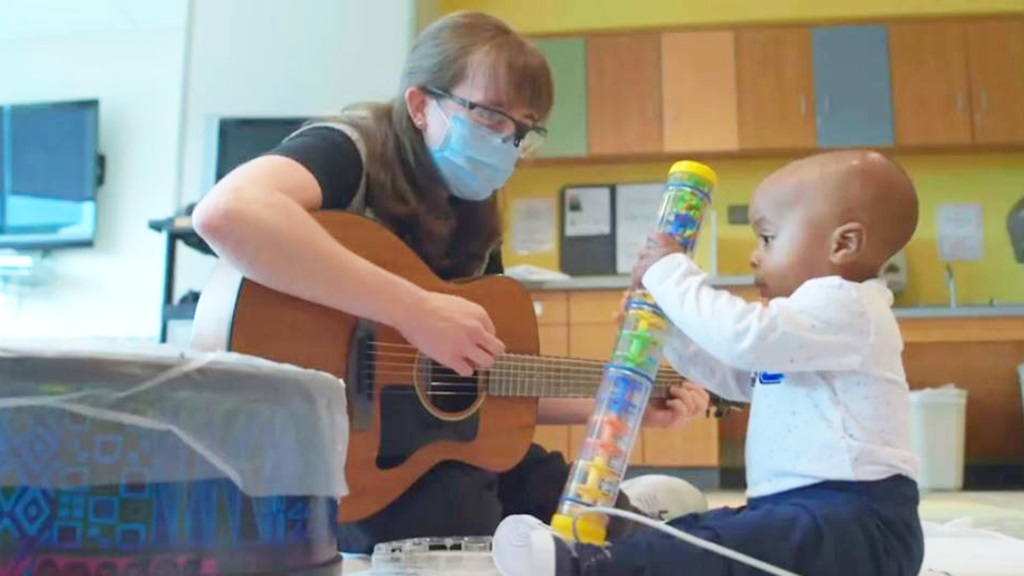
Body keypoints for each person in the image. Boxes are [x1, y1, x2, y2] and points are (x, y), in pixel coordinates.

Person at [192, 11, 709, 555]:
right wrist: (415, 310)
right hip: (335, 466)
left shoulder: (475, 209)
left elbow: (479, 382)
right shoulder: (350, 149)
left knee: (609, 533)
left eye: (523, 129)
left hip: (438, 451)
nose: (507, 141)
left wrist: (616, 402)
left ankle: (643, 508)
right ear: (420, 105)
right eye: (490, 116)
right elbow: (228, 213)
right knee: (472, 534)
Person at [492, 150, 926, 576]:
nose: (755, 255)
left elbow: (745, 338)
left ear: (843, 244)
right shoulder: (803, 329)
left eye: (768, 238)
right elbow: (737, 375)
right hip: (799, 511)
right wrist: (670, 331)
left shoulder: (847, 305)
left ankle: (590, 567)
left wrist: (671, 274)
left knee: (725, 547)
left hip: (856, 521)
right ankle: (605, 556)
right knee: (701, 534)